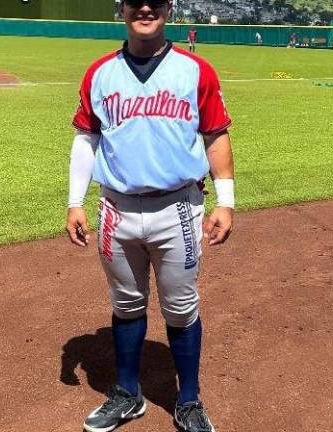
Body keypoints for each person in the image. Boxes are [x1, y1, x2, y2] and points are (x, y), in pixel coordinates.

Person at [66, 1, 235, 431]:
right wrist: (74, 201)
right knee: (126, 303)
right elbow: (86, 139)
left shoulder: (196, 71)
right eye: (136, 0)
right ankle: (127, 394)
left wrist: (226, 201)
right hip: (115, 209)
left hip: (177, 206)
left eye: (156, 0)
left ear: (169, 7)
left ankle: (189, 400)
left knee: (180, 308)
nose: (146, 8)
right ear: (121, 8)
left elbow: (215, 135)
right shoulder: (100, 72)